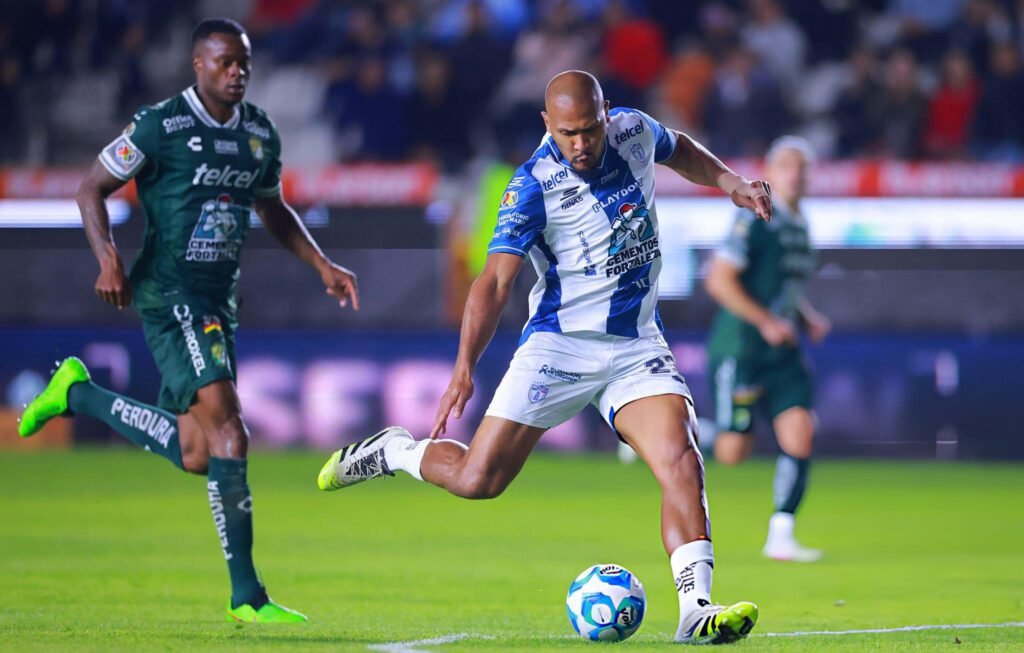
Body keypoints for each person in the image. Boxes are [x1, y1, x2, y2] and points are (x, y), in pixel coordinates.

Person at [318, 70, 771, 645]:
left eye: (588, 130)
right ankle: (397, 452)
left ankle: (695, 610)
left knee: (681, 459)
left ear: (608, 116)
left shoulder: (634, 131)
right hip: (559, 347)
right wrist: (463, 367)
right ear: (546, 125)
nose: (579, 144)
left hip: (634, 344)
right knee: (479, 480)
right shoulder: (532, 184)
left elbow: (678, 149)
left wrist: (729, 180)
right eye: (566, 133)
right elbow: (494, 283)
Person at [18, 18, 360, 623]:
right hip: (171, 294)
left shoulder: (259, 133)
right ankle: (247, 595)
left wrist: (322, 264)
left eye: (245, 63)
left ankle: (79, 393)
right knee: (232, 431)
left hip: (219, 301)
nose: (237, 73)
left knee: (202, 451)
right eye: (226, 62)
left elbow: (272, 207)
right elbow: (90, 189)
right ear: (198, 65)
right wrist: (108, 260)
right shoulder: (161, 126)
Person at [705, 135, 828, 563]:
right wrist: (766, 322)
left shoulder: (799, 221)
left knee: (801, 431)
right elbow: (719, 280)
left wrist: (806, 316)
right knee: (732, 451)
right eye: (787, 166)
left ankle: (781, 533)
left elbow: (785, 286)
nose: (795, 174)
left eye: (801, 167)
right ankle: (671, 432)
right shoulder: (755, 218)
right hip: (742, 347)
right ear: (770, 172)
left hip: (782, 351)